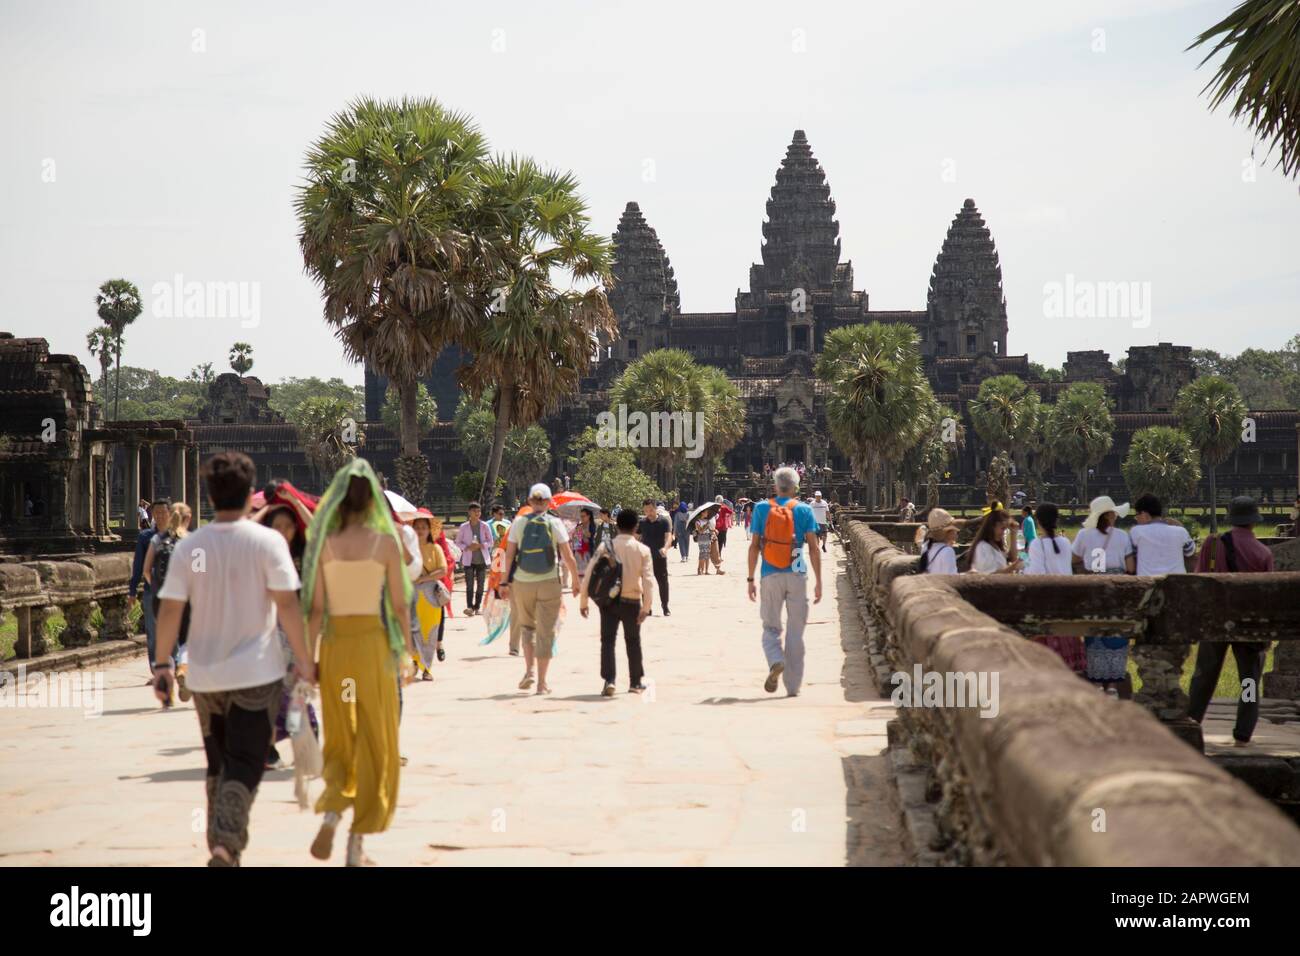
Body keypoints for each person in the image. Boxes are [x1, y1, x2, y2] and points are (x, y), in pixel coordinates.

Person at [152, 452, 313, 867]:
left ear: (209, 495)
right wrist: (306, 661)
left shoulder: (194, 545)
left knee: (218, 760)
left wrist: (163, 665)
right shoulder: (267, 542)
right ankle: (226, 843)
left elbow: (169, 609)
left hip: (205, 675)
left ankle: (224, 847)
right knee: (245, 760)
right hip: (256, 672)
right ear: (248, 497)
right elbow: (289, 607)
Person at [301, 460, 414, 866]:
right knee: (376, 737)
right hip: (371, 645)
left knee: (341, 732)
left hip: (335, 648)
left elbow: (314, 610)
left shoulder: (326, 544)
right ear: (372, 503)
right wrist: (407, 652)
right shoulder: (384, 544)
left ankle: (333, 811)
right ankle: (357, 840)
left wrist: (307, 661)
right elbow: (400, 605)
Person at [1188, 496, 1275, 746]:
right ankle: (1244, 729)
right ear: (1253, 521)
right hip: (1248, 623)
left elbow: (1200, 579)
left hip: (1216, 618)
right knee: (1248, 680)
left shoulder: (1213, 545)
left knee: (1205, 675)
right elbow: (1267, 596)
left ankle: (1192, 721)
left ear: (1232, 518)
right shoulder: (1263, 553)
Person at [747, 466, 823, 697]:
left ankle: (775, 659)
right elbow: (813, 548)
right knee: (795, 631)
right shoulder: (804, 509)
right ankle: (793, 687)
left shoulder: (761, 508)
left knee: (770, 626)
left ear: (775, 486)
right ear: (796, 487)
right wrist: (819, 581)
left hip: (769, 571)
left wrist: (750, 578)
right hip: (798, 570)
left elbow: (754, 546)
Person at [500, 484, 580, 695]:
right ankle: (542, 683)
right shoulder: (554, 523)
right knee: (546, 632)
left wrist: (504, 581)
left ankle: (530, 671)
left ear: (529, 501)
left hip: (522, 582)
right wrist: (575, 580)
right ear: (548, 502)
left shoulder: (518, 523)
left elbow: (509, 555)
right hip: (548, 581)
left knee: (528, 627)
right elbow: (567, 554)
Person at [579, 507, 654, 696]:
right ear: (636, 526)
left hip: (609, 601)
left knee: (607, 641)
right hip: (632, 600)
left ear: (617, 525)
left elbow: (589, 572)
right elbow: (648, 580)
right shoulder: (642, 549)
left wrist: (583, 601)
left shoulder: (606, 547)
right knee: (633, 641)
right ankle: (635, 682)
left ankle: (609, 681)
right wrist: (647, 607)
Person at [1071, 496, 1135, 696]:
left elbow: (1074, 559)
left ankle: (1096, 682)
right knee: (1117, 633)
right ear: (1108, 515)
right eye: (1113, 512)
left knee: (1093, 633)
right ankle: (1113, 685)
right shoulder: (1123, 536)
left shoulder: (1083, 535)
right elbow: (1131, 567)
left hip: (1093, 588)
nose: (1116, 516)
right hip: (1117, 588)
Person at [1022, 502, 1086, 674]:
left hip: (1046, 602)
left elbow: (1036, 574)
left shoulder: (1037, 544)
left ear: (1038, 521)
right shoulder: (1065, 542)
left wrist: (1023, 571)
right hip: (1066, 599)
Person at [142, 502, 194, 702]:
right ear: (187, 519)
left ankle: (166, 686)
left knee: (165, 643)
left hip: (161, 596)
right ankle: (183, 668)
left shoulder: (157, 539)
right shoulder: (193, 541)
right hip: (186, 599)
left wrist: (157, 588)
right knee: (186, 641)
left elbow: (147, 570)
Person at [131, 498, 174, 682]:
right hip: (152, 591)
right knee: (153, 632)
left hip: (175, 593)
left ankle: (173, 668)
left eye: (163, 513)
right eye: (156, 513)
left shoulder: (179, 537)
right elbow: (139, 566)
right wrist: (132, 590)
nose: (160, 516)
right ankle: (157, 671)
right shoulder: (146, 537)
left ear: (170, 514)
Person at [409, 509, 447, 681]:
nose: (420, 530)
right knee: (414, 631)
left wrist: (425, 577)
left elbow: (443, 570)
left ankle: (427, 668)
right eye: (417, 527)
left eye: (423, 527)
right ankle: (415, 662)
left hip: (431, 596)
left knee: (430, 633)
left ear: (429, 530)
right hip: (412, 595)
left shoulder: (435, 548)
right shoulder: (408, 549)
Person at [1128, 494, 1195, 575]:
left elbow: (1130, 556)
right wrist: (1180, 525)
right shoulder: (1180, 531)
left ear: (1144, 514)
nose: (1136, 519)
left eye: (1136, 515)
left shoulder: (1136, 531)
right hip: (1177, 584)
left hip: (1148, 584)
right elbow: (1190, 551)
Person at [455, 501, 495, 617]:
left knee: (481, 585)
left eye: (478, 511)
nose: (477, 513)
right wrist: (467, 547)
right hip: (468, 560)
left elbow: (490, 542)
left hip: (482, 559)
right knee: (469, 585)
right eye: (474, 511)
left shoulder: (484, 526)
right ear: (469, 513)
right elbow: (458, 542)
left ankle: (477, 607)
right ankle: (469, 607)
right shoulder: (464, 527)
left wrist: (481, 545)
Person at [637, 498, 674, 616]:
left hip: (659, 557)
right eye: (646, 510)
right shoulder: (642, 523)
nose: (648, 513)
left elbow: (668, 537)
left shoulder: (664, 521)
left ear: (655, 508)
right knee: (645, 584)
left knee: (663, 583)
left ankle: (665, 607)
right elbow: (635, 537)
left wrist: (665, 548)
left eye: (651, 510)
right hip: (645, 558)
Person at [968, 506, 1023, 574]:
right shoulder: (983, 547)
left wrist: (1013, 533)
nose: (1004, 533)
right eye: (1002, 528)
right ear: (992, 527)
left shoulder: (997, 547)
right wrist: (1013, 566)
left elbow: (1012, 558)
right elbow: (991, 575)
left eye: (1006, 529)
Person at [914, 508, 961, 574]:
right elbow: (951, 580)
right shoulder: (948, 551)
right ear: (948, 532)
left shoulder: (926, 546)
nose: (956, 531)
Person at [571, 507, 597, 579]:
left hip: (588, 551)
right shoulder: (579, 525)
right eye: (581, 516)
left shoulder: (592, 525)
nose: (581, 518)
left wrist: (582, 530)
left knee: (589, 571)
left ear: (588, 516)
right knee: (580, 572)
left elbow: (590, 535)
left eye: (583, 516)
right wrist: (576, 532)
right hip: (579, 551)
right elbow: (576, 539)